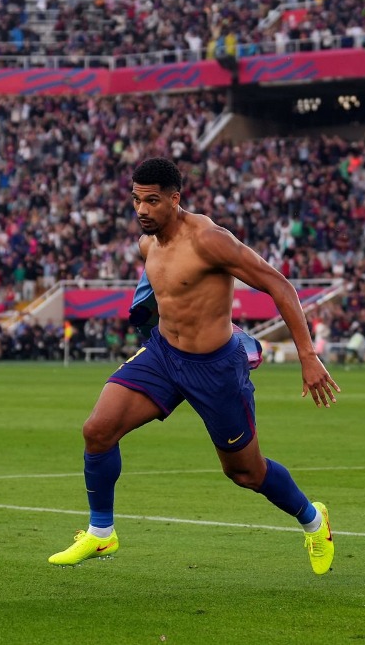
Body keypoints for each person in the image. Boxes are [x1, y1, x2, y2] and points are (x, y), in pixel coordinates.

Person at [48, 158, 339, 574]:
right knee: (98, 430)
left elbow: (280, 285)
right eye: (136, 200)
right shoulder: (147, 244)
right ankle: (101, 532)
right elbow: (164, 297)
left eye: (152, 201)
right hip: (164, 355)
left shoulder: (209, 240)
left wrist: (308, 356)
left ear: (175, 199)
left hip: (215, 369)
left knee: (245, 472)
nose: (142, 210)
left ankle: (313, 521)